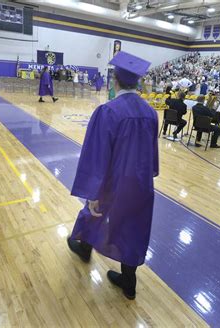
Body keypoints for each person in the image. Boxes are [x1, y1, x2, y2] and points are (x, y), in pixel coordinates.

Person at [67, 51, 158, 301]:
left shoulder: (108, 111)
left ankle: (84, 248)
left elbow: (96, 154)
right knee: (135, 226)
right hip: (141, 183)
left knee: (94, 212)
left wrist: (92, 191)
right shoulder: (151, 113)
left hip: (113, 180)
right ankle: (129, 282)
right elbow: (152, 151)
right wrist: (149, 174)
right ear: (137, 82)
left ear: (114, 81)